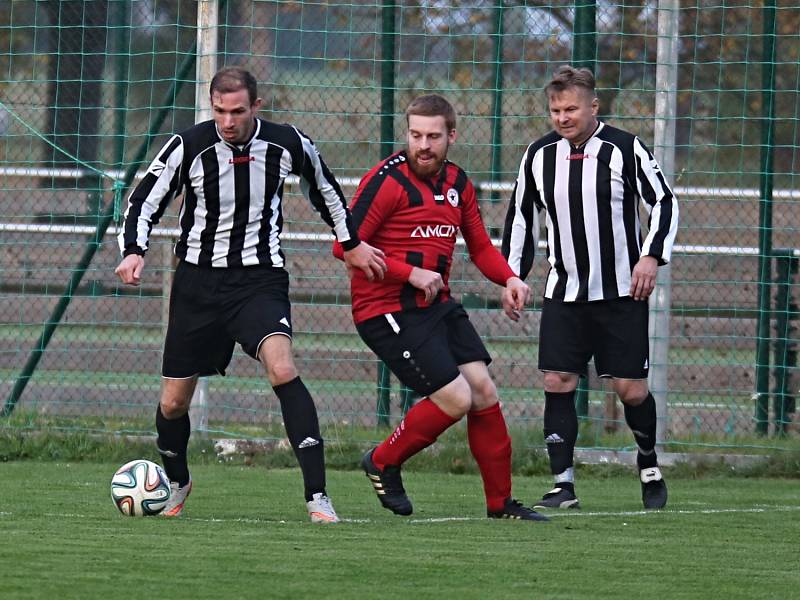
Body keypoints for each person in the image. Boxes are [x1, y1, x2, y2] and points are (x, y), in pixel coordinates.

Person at [115, 66, 387, 523]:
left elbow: (326, 190)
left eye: (237, 111)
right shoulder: (188, 146)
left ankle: (317, 496)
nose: (227, 121)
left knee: (282, 368)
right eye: (219, 111)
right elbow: (144, 200)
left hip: (259, 281)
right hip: (198, 284)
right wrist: (134, 251)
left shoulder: (287, 143)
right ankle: (178, 481)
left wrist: (352, 244)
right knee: (173, 403)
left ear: (256, 107)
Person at [333, 94, 548, 522]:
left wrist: (509, 278)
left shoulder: (458, 184)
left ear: (452, 135)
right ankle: (382, 460)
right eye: (415, 135)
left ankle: (500, 505)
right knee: (455, 397)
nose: (423, 145)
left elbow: (481, 246)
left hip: (436, 307)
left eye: (433, 136)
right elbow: (345, 245)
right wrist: (407, 274)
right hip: (386, 308)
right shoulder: (386, 181)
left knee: (484, 392)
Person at [502, 65, 679, 510]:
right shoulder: (538, 156)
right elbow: (522, 218)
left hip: (622, 292)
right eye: (555, 110)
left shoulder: (624, 148)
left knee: (630, 389)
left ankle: (648, 463)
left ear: (593, 106)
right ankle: (563, 484)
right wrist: (513, 276)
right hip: (565, 293)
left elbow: (663, 201)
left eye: (571, 109)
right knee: (557, 380)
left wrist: (650, 255)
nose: (562, 117)